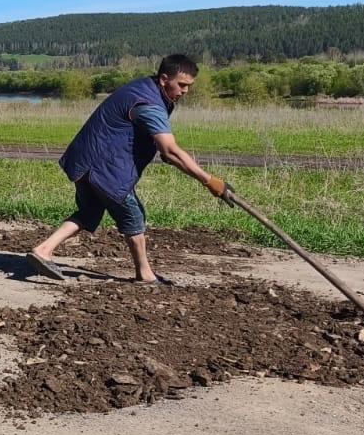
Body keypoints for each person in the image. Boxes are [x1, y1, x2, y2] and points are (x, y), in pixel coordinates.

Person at [29, 55, 227, 284]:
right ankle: (145, 275)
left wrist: (163, 152)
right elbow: (171, 150)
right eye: (181, 85)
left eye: (189, 86)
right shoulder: (149, 104)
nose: (185, 91)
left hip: (85, 160)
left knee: (89, 213)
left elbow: (159, 147)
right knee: (134, 216)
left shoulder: (143, 88)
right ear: (164, 79)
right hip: (105, 168)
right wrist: (210, 181)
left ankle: (43, 250)